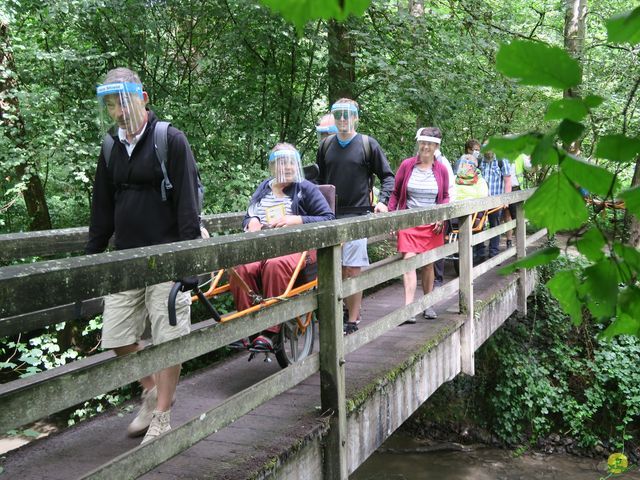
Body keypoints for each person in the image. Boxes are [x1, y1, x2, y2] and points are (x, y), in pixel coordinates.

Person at [86, 68, 202, 444]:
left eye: (124, 101)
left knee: (168, 338)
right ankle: (150, 392)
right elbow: (102, 207)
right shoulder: (110, 145)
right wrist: (91, 256)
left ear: (143, 98)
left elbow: (187, 204)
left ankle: (163, 416)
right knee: (116, 335)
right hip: (125, 260)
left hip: (167, 257)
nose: (119, 111)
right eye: (111, 104)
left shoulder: (170, 139)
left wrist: (187, 263)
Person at [230, 143, 335, 349]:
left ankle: (271, 332)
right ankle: (246, 328)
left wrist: (297, 220)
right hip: (262, 248)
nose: (287, 167)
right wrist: (251, 222)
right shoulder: (264, 187)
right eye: (282, 163)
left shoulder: (306, 188)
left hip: (297, 248)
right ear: (274, 166)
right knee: (241, 269)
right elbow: (249, 215)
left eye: (290, 163)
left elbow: (328, 218)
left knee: (274, 265)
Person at [316, 98, 395, 335]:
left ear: (356, 117)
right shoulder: (326, 145)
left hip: (358, 214)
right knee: (333, 269)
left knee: (352, 269)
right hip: (329, 216)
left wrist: (382, 202)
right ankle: (338, 315)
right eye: (338, 114)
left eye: (347, 114)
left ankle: (352, 319)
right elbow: (319, 182)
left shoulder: (367, 144)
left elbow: (388, 176)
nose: (342, 119)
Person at [388, 127, 450, 321]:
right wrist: (391, 217)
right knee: (409, 261)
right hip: (408, 221)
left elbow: (446, 196)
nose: (425, 147)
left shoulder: (441, 169)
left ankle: (427, 303)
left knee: (428, 265)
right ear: (418, 143)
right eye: (423, 143)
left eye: (430, 144)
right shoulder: (407, 165)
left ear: (436, 146)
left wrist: (442, 215)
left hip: (432, 225)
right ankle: (409, 307)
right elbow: (396, 193)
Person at [477, 147, 511, 260]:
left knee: (495, 225)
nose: (488, 154)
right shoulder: (480, 160)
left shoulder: (502, 160)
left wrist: (506, 199)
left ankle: (493, 253)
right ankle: (480, 253)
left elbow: (507, 180)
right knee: (478, 226)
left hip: (496, 200)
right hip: (480, 200)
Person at [430, 127, 454, 288]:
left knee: (437, 244)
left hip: (440, 208)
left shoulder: (442, 162)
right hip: (425, 209)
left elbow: (449, 189)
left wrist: (444, 213)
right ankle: (432, 278)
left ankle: (437, 279)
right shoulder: (420, 160)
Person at [503, 153, 531, 248]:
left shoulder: (521, 156)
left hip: (516, 189)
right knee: (507, 216)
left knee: (517, 217)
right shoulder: (501, 155)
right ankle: (509, 242)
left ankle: (520, 244)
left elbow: (530, 166)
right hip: (503, 189)